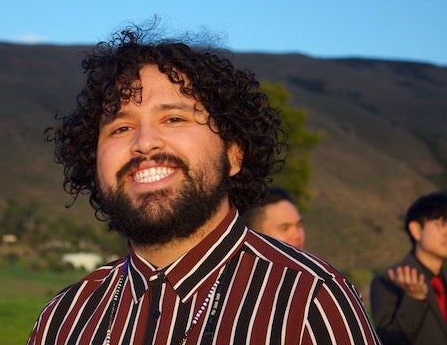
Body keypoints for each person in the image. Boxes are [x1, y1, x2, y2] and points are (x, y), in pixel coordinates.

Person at [27, 25, 380, 344]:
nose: (145, 142)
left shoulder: (308, 302)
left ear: (233, 154)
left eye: (174, 118)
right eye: (120, 128)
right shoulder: (63, 321)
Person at [370, 191, 447, 344]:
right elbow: (389, 341)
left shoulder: (443, 281)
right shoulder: (388, 281)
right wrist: (415, 299)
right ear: (416, 230)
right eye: (441, 225)